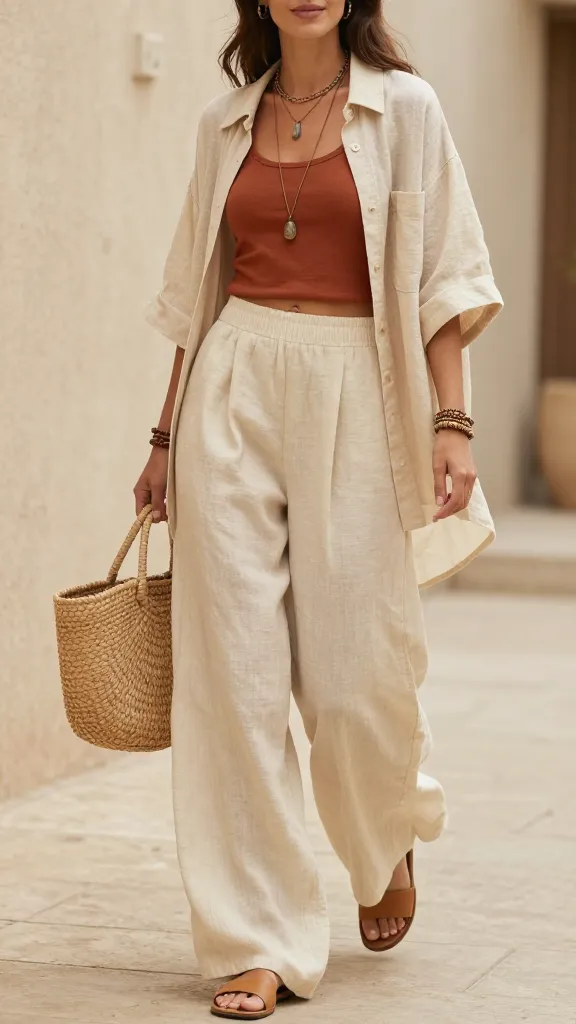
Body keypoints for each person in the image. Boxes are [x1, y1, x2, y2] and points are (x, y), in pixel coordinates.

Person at [135, 0, 503, 1017]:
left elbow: (444, 277)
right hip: (234, 387)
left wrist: (453, 421)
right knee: (235, 682)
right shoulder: (223, 123)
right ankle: (257, 936)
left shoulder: (407, 110)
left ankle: (383, 838)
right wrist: (163, 438)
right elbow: (194, 294)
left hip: (358, 386)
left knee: (355, 680)